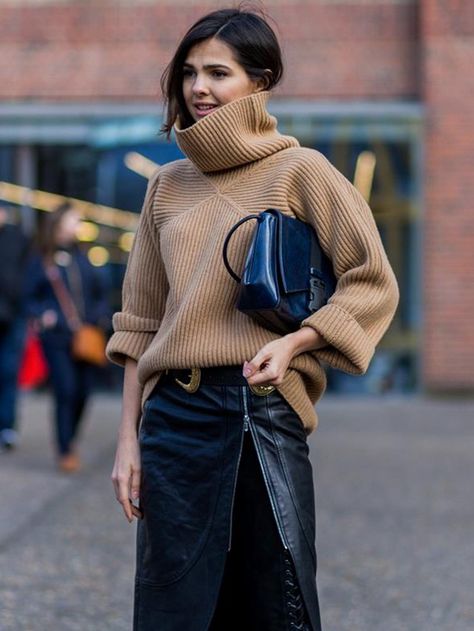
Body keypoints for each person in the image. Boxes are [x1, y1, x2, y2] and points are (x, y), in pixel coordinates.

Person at [106, 8, 400, 631]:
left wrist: (298, 341)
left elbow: (371, 279)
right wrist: (128, 440)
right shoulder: (166, 185)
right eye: (189, 72)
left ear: (259, 81)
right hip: (172, 421)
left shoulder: (303, 171)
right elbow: (138, 324)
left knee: (276, 604)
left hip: (261, 411)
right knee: (172, 606)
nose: (198, 88)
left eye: (218, 72)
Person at [25, 202, 110, 472]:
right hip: (57, 338)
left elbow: (100, 294)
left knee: (83, 392)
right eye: (74, 221)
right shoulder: (43, 259)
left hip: (85, 337)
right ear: (60, 223)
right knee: (66, 390)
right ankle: (64, 449)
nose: (78, 226)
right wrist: (44, 314)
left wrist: (99, 317)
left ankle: (70, 439)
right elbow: (28, 297)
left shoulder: (83, 257)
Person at [0, 205, 30, 451]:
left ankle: (7, 427)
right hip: (11, 313)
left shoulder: (17, 237)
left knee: (9, 372)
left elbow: (27, 276)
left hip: (13, 316)